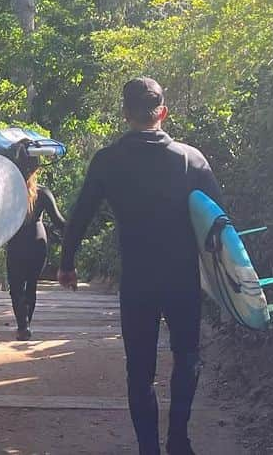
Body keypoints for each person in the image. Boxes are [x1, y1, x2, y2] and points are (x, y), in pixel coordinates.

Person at [58, 78, 221, 455]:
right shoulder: (191, 159)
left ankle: (148, 448)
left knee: (140, 369)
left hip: (137, 280)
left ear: (125, 114)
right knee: (187, 355)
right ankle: (178, 439)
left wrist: (67, 264)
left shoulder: (107, 160)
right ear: (162, 112)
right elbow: (219, 223)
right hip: (182, 277)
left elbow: (80, 216)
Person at [4, 140, 66, 341]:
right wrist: (76, 234)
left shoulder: (8, 192)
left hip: (16, 243)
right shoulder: (43, 192)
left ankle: (23, 326)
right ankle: (26, 325)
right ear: (37, 167)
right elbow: (59, 222)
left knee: (15, 288)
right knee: (31, 285)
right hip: (38, 243)